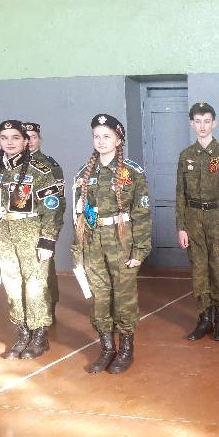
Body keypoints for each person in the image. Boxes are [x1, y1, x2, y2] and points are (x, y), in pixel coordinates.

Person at [71, 114, 152, 374]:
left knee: (124, 297)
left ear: (118, 140)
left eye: (107, 136)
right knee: (100, 298)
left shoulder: (132, 172)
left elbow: (142, 213)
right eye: (97, 136)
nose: (101, 141)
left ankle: (126, 349)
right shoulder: (84, 174)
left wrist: (140, 249)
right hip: (93, 242)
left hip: (121, 241)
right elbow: (78, 215)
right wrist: (78, 251)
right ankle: (107, 348)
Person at [0, 120, 64, 359]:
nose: (9, 142)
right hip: (4, 236)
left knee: (35, 286)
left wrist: (47, 240)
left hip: (31, 233)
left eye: (15, 137)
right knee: (12, 286)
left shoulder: (40, 170)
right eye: (4, 138)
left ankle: (40, 336)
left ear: (25, 141)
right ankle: (23, 333)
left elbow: (52, 207)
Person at [176, 102, 219, 341]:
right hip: (193, 219)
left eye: (207, 121)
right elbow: (180, 194)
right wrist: (181, 227)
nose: (202, 126)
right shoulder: (186, 156)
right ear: (192, 124)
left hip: (217, 218)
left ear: (214, 123)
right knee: (199, 271)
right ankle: (204, 318)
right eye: (198, 121)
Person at [24, 122, 65, 316]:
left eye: (33, 137)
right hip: (20, 228)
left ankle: (49, 309)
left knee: (45, 270)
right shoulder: (11, 165)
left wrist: (52, 232)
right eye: (26, 137)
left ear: (39, 139)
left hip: (43, 227)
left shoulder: (50, 166)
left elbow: (58, 202)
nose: (30, 141)